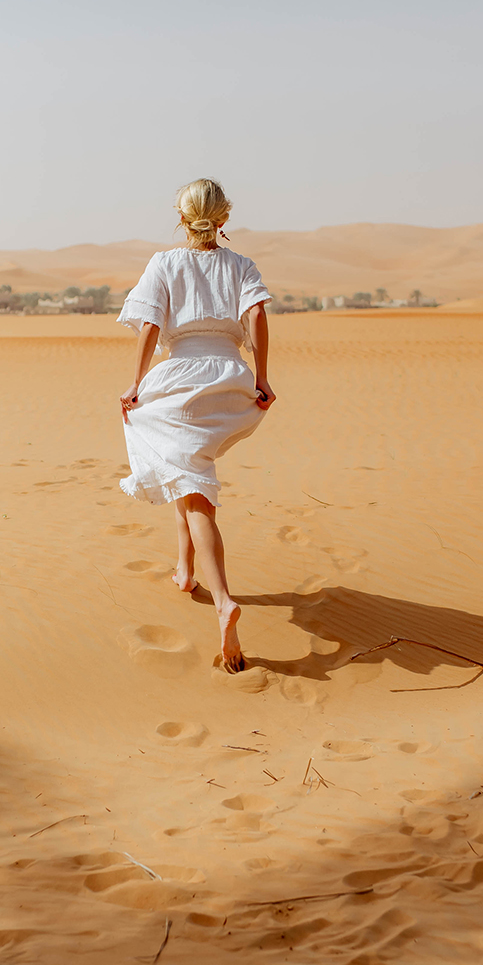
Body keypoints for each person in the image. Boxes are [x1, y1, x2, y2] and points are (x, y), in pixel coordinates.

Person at [118, 178, 275, 673]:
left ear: (182, 218)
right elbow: (257, 316)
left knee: (193, 484)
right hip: (229, 379)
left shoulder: (164, 263)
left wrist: (136, 383)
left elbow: (149, 327)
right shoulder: (241, 265)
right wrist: (262, 379)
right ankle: (186, 570)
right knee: (185, 469)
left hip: (180, 379)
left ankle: (224, 599)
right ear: (223, 219)